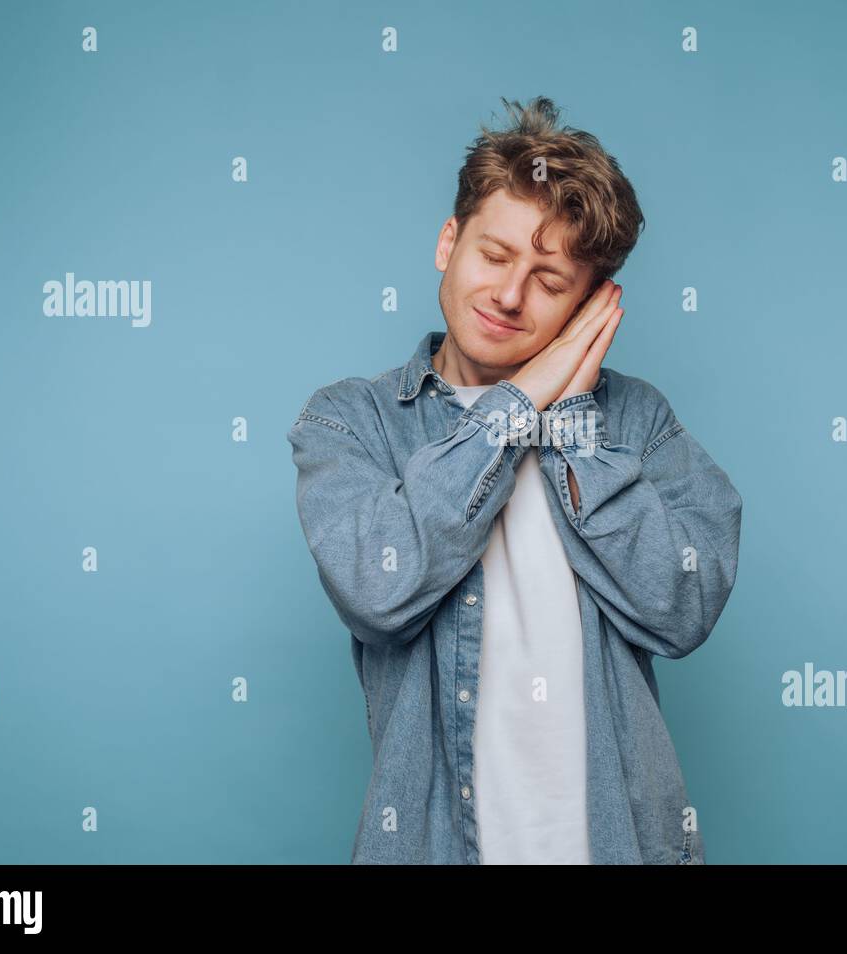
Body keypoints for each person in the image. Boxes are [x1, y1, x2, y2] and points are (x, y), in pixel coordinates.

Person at [287, 96, 743, 864]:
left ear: (591, 302)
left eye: (549, 279)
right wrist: (520, 403)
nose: (507, 296)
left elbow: (683, 608)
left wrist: (570, 426)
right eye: (493, 257)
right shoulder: (349, 421)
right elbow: (377, 588)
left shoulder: (636, 423)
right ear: (448, 241)